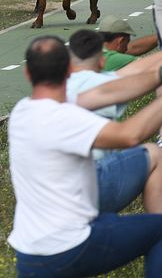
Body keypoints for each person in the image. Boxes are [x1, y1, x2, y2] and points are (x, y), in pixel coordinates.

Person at [8, 35, 162, 277]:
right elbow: (130, 135)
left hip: (29, 256)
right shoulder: (64, 118)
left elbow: (104, 92)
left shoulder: (22, 112)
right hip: (69, 248)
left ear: (28, 73)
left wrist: (158, 76)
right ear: (70, 70)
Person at [66, 29, 162, 215]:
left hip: (53, 198)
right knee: (156, 153)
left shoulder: (58, 88)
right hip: (89, 186)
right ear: (102, 61)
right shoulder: (95, 84)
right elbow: (138, 70)